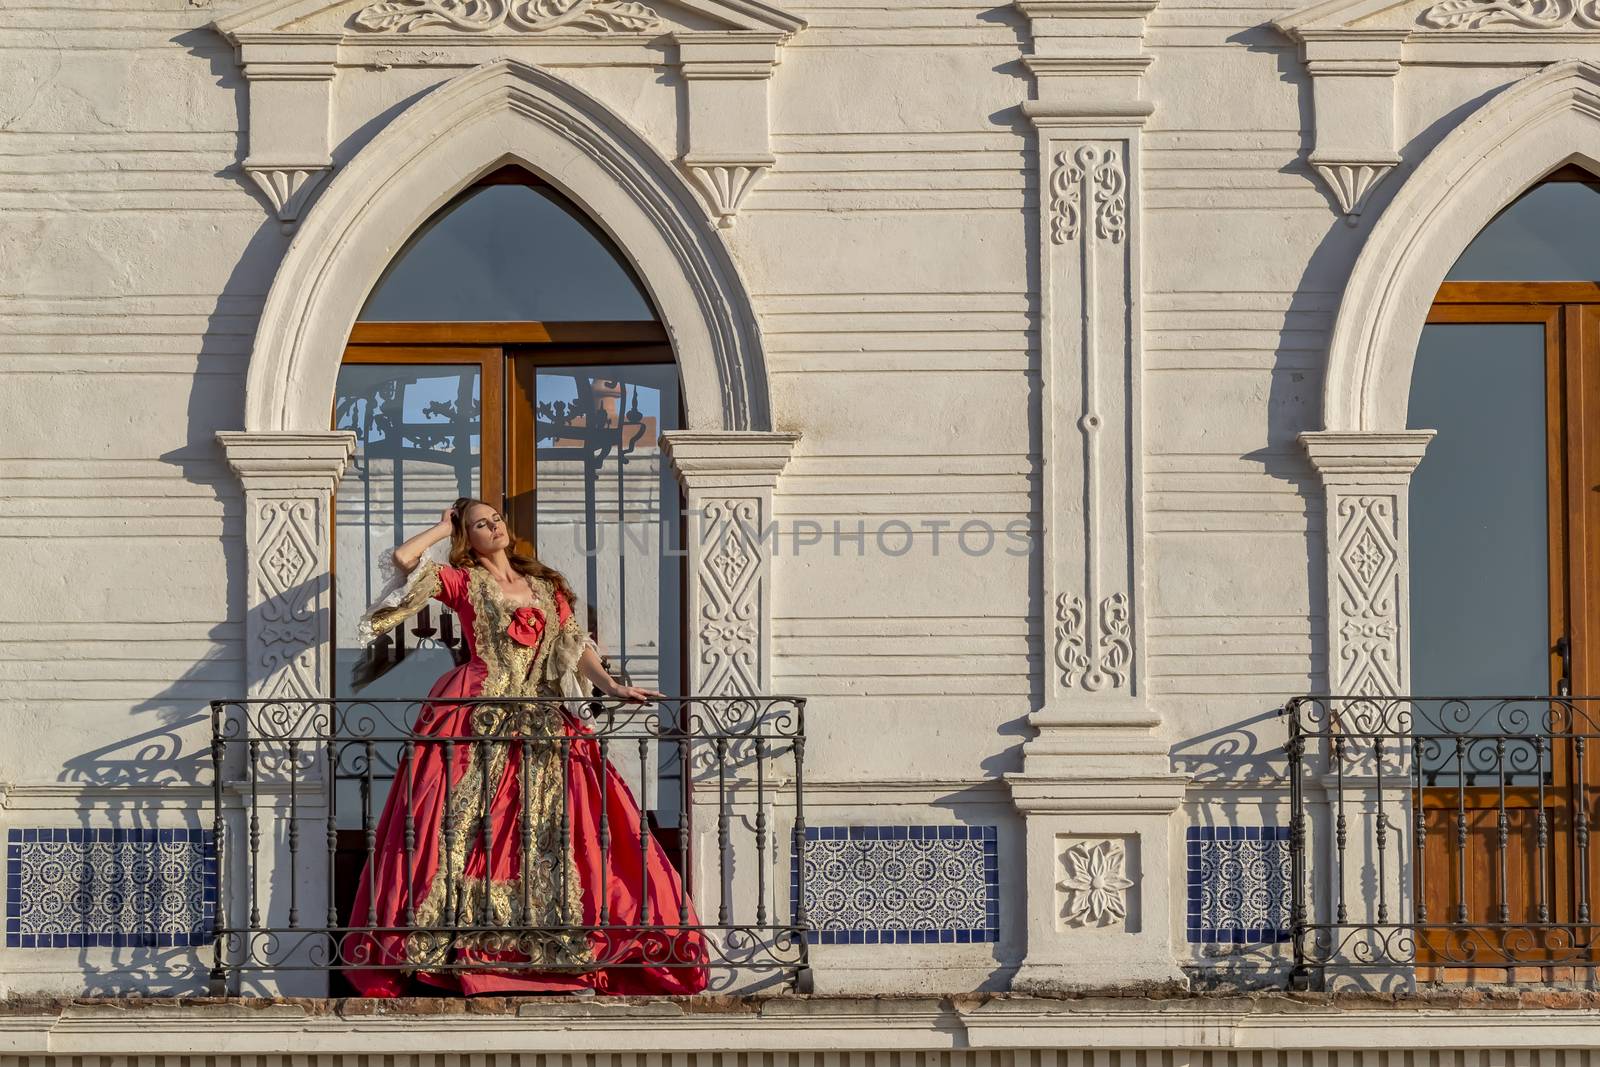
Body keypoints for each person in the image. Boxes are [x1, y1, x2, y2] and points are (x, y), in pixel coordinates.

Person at [341, 497, 708, 996]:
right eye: (478, 525)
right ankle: (463, 949)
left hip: (540, 717)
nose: (493, 527)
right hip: (475, 712)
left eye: (495, 519)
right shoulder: (465, 582)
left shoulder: (546, 586)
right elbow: (405, 561)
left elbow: (573, 648)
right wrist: (439, 527)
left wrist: (613, 687)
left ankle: (546, 951)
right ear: (466, 538)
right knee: (459, 826)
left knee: (548, 829)